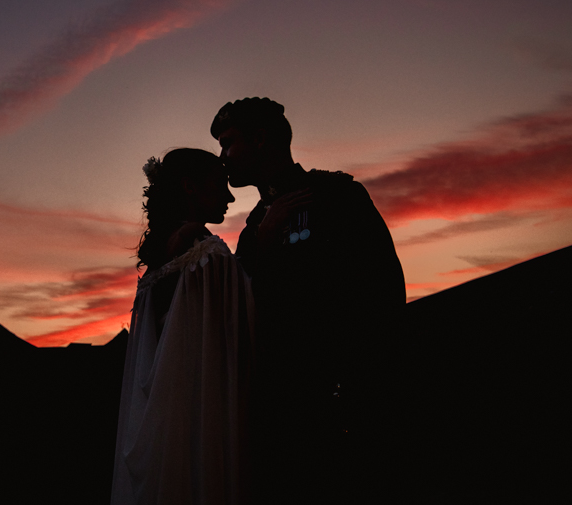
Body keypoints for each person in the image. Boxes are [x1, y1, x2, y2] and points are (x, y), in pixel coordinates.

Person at [210, 97, 405, 501]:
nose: (222, 157)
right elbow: (245, 318)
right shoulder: (251, 233)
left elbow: (384, 291)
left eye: (228, 144)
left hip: (348, 405)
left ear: (260, 139)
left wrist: (361, 388)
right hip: (284, 416)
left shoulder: (335, 195)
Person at [111, 148, 255, 505]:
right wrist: (262, 242)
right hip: (208, 420)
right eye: (220, 185)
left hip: (165, 425)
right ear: (190, 187)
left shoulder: (159, 263)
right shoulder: (208, 256)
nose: (230, 196)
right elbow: (245, 328)